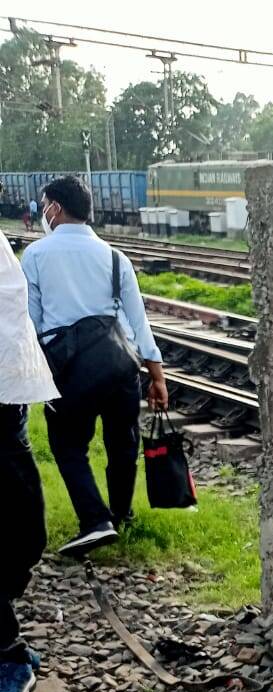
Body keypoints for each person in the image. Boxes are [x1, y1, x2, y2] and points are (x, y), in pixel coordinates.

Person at [21, 175, 168, 557]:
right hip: (119, 366)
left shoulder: (36, 255)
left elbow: (32, 323)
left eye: (44, 206)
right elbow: (139, 324)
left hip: (69, 372)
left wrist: (35, 376)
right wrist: (157, 377)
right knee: (123, 443)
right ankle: (120, 514)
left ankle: (95, 521)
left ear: (55, 208)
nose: (43, 212)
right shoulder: (116, 258)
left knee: (68, 446)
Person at [0, 230, 56, 692]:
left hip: (4, 395)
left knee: (22, 527)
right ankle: (8, 652)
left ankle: (8, 657)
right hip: (10, 390)